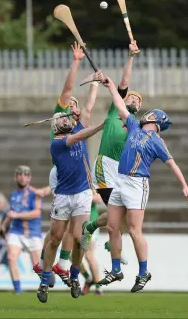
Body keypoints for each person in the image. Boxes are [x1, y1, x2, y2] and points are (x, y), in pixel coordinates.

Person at [97, 77, 188, 292]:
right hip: (120, 180)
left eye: (151, 113)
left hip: (137, 184)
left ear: (156, 120)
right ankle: (116, 270)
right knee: (113, 227)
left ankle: (143, 273)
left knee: (133, 230)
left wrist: (184, 185)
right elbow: (120, 106)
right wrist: (111, 86)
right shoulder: (133, 126)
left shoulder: (157, 140)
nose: (146, 113)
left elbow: (172, 163)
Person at [81, 40, 143, 252]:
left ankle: (90, 227)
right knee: (117, 210)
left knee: (124, 211)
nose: (134, 100)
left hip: (122, 171)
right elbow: (125, 81)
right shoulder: (116, 111)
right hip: (105, 164)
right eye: (132, 97)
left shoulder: (136, 126)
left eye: (138, 101)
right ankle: (103, 233)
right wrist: (131, 56)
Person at [37, 112, 104, 303]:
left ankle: (74, 276)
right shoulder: (56, 144)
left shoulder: (77, 129)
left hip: (82, 194)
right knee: (55, 238)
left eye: (68, 118)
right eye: (62, 119)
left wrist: (93, 87)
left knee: (81, 237)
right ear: (55, 126)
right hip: (63, 196)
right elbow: (81, 136)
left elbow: (88, 108)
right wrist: (101, 126)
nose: (66, 120)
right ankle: (44, 281)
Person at [33, 41, 86, 285]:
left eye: (76, 104)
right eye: (70, 104)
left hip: (75, 177)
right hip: (61, 176)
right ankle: (49, 263)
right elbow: (67, 90)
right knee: (59, 230)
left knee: (68, 230)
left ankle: (56, 264)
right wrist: (76, 62)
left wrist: (96, 85)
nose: (73, 105)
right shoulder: (61, 117)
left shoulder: (78, 124)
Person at [1, 165, 46, 294]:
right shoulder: (14, 194)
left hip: (33, 232)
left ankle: (46, 284)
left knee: (37, 267)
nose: (22, 177)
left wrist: (16, 215)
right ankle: (18, 289)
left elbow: (36, 213)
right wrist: (4, 224)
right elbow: (12, 212)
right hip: (17, 231)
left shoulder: (35, 193)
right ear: (15, 177)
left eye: (25, 175)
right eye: (20, 174)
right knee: (11, 257)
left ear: (29, 178)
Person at [81, 190, 104, 296]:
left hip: (89, 224)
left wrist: (79, 196)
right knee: (71, 255)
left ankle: (98, 287)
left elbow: (98, 198)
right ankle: (88, 278)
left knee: (89, 256)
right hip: (76, 223)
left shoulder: (89, 183)